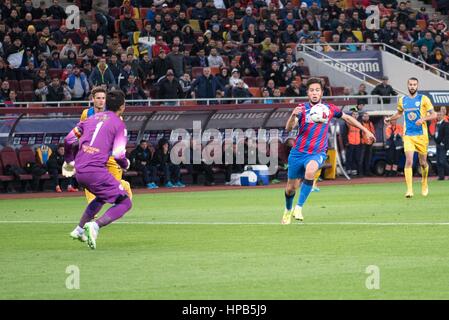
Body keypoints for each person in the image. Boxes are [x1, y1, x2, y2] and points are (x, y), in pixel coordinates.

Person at [281, 77, 376, 224]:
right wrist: (293, 115)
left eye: (317, 90)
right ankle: (288, 210)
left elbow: (348, 118)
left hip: (317, 152)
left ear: (321, 93)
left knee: (311, 171)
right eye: (312, 90)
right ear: (307, 93)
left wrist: (365, 130)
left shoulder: (329, 109)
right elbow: (288, 128)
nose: (314, 93)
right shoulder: (301, 109)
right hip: (298, 153)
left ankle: (299, 207)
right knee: (290, 188)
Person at [64, 90, 132, 250]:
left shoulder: (90, 118)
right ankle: (94, 226)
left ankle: (79, 229)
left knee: (102, 197)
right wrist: (126, 163)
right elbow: (118, 154)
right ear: (122, 107)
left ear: (106, 103)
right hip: (95, 171)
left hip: (80, 170)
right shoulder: (119, 124)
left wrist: (69, 162)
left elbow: (68, 140)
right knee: (125, 202)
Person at [384, 77, 437, 197]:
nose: (412, 86)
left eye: (414, 84)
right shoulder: (402, 100)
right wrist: (389, 119)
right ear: (407, 86)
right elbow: (399, 113)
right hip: (408, 135)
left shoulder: (423, 99)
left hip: (421, 136)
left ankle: (424, 182)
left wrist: (423, 119)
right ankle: (409, 190)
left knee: (423, 162)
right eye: (410, 84)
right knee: (409, 161)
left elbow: (434, 114)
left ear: (417, 86)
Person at [80, 86, 132, 204]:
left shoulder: (115, 115)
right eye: (98, 98)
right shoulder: (86, 113)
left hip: (110, 156)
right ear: (93, 99)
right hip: (92, 155)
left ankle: (125, 186)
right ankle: (92, 212)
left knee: (114, 186)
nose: (101, 100)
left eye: (103, 98)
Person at [360, 112, 376, 176]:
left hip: (369, 143)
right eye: (365, 116)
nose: (366, 117)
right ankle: (360, 172)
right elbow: (359, 133)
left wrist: (372, 140)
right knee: (361, 158)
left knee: (368, 159)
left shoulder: (370, 124)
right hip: (362, 143)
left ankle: (367, 172)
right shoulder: (360, 124)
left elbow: (373, 132)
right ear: (362, 117)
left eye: (367, 116)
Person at [434, 110, 449, 180]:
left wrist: (442, 142)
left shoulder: (446, 124)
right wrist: (435, 139)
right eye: (438, 115)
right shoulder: (436, 124)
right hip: (437, 144)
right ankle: (441, 176)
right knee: (438, 161)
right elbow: (436, 134)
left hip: (443, 145)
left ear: (443, 116)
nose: (439, 116)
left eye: (440, 115)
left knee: (442, 161)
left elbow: (447, 135)